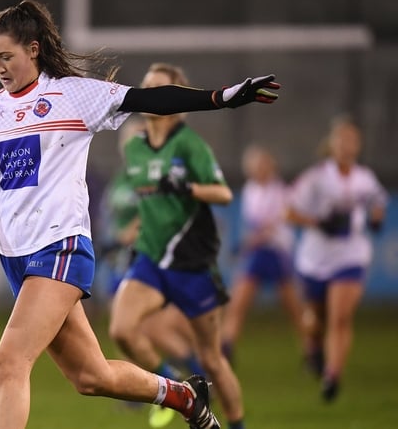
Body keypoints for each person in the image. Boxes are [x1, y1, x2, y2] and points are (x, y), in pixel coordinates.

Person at [0, 0, 279, 429]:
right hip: (16, 256)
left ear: (33, 49)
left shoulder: (73, 94)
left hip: (61, 246)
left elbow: (150, 99)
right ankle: (183, 395)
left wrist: (222, 97)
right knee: (90, 376)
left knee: (8, 363)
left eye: (6, 56)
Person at [107, 62, 246, 429]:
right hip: (151, 259)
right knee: (122, 330)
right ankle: (177, 388)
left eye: (160, 88)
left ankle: (237, 425)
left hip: (192, 265)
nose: (151, 93)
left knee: (212, 359)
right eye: (147, 86)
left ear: (177, 101)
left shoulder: (189, 144)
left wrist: (187, 188)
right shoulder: (135, 146)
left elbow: (224, 193)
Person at [286, 116, 388, 402]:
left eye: (352, 140)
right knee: (314, 320)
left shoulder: (364, 178)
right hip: (315, 258)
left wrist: (377, 217)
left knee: (340, 318)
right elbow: (288, 211)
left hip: (350, 255)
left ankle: (332, 376)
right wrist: (317, 222)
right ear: (332, 145)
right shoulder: (316, 178)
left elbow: (377, 200)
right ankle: (314, 349)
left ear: (358, 145)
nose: (346, 145)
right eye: (341, 140)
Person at [221, 145, 303, 364]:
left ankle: (311, 350)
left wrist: (246, 244)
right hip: (258, 253)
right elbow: (255, 226)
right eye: (255, 165)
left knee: (293, 307)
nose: (258, 169)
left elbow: (270, 227)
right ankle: (227, 347)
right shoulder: (250, 190)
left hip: (276, 251)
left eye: (262, 164)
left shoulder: (280, 191)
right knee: (238, 303)